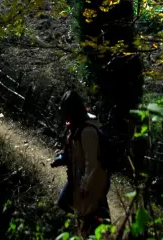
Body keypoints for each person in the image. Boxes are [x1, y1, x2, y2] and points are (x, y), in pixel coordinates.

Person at [51, 90, 110, 237]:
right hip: (81, 179)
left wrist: (84, 185)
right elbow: (75, 152)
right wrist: (63, 157)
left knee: (95, 222)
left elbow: (92, 163)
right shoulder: (75, 127)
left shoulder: (87, 131)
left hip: (93, 182)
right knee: (88, 218)